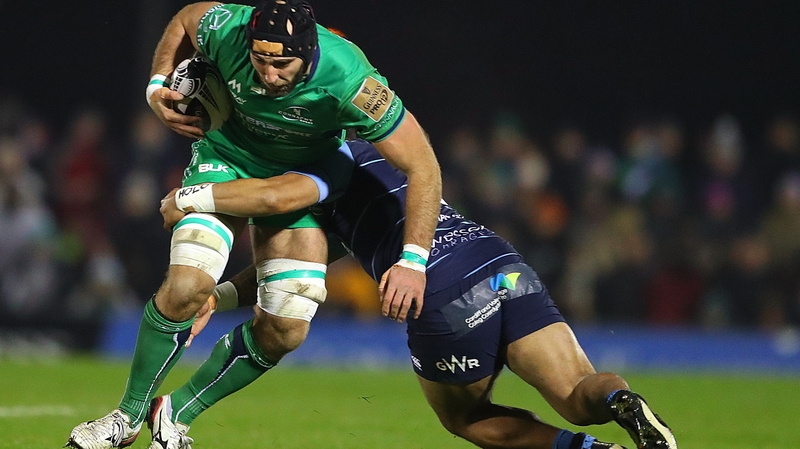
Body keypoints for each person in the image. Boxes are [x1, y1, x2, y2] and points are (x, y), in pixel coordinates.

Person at [66, 1, 441, 447]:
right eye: (260, 59)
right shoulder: (229, 28)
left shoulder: (350, 78)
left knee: (287, 324)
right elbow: (187, 17)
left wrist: (413, 261)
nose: (268, 74)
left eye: (282, 64)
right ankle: (125, 418)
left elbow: (423, 164)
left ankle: (176, 412)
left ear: (309, 51)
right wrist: (156, 86)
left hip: (301, 174)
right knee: (186, 286)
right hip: (226, 156)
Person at [155, 140, 678, 449]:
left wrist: (194, 202)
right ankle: (621, 401)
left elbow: (287, 251)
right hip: (498, 262)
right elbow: (325, 252)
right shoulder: (383, 144)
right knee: (578, 392)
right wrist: (222, 296)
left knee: (465, 418)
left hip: (441, 288)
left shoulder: (308, 175)